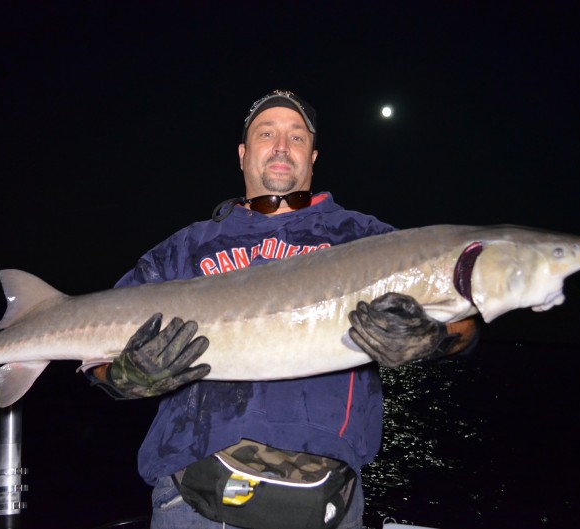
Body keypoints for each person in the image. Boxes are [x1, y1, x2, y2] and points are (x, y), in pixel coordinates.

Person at [87, 90, 477, 529]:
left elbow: (462, 322)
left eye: (295, 137)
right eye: (266, 133)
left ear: (312, 156)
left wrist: (436, 338)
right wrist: (124, 377)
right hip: (191, 492)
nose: (280, 146)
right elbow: (95, 351)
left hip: (328, 495)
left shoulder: (365, 239)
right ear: (242, 154)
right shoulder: (184, 249)